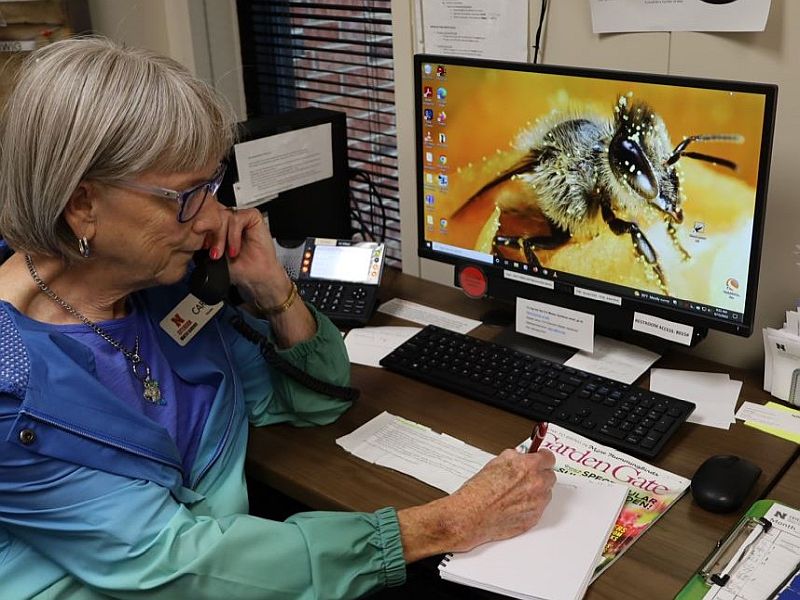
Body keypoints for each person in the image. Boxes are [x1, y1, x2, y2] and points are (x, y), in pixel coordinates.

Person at [0, 37, 556, 599]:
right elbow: (175, 566)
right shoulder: (12, 388)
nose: (217, 216)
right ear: (81, 204)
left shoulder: (154, 291)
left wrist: (271, 286)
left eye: (214, 186)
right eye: (188, 196)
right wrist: (443, 524)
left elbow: (316, 400)